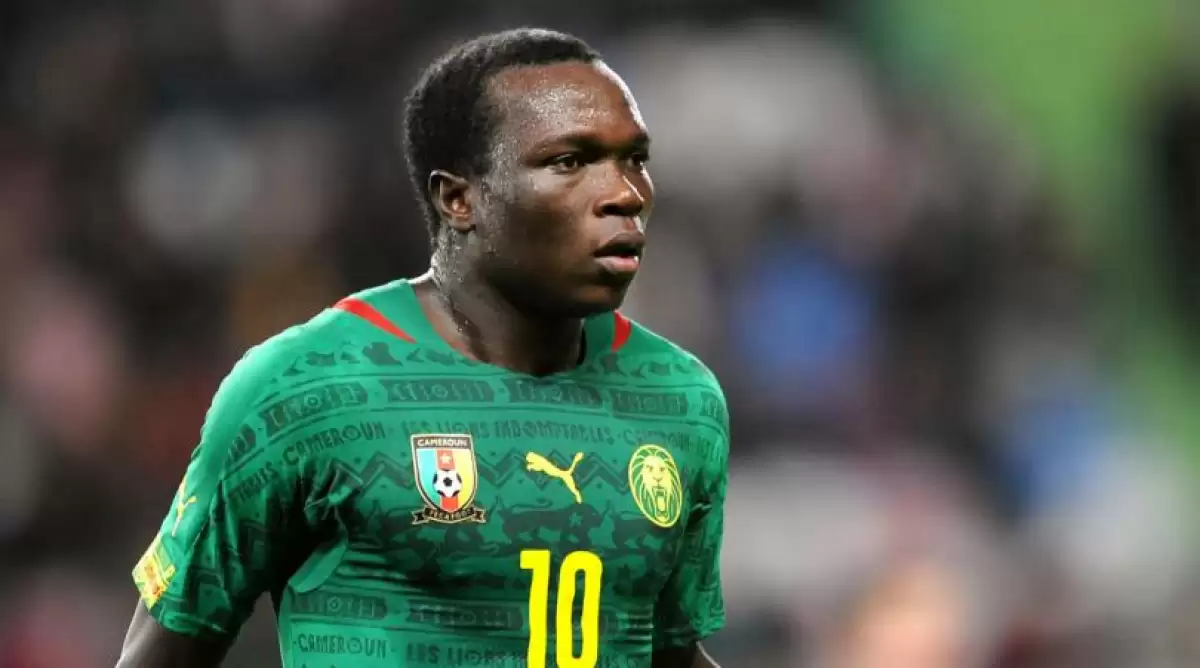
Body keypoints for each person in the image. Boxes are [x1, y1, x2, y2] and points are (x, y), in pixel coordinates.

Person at [116, 27, 728, 668]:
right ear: (459, 198)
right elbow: (166, 653)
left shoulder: (679, 400)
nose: (626, 193)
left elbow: (667, 650)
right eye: (570, 162)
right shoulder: (304, 389)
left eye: (634, 158)